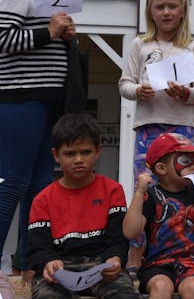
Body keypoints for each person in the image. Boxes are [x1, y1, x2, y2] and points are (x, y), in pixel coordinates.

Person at [119, 0, 194, 273]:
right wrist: (138, 91)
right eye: (160, 7)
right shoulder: (140, 44)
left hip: (181, 129)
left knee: (182, 187)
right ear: (150, 11)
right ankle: (137, 253)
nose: (167, 12)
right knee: (145, 187)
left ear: (183, 11)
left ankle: (185, 249)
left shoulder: (193, 47)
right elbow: (124, 84)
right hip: (148, 126)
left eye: (172, 6)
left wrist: (185, 93)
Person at [0, 0, 76, 275]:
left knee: (40, 185)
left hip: (43, 100)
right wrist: (50, 31)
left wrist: (62, 35)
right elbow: (4, 39)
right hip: (20, 97)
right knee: (13, 180)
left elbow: (36, 39)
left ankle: (28, 262)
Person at [25, 113, 140, 298]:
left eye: (85, 152)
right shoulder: (43, 199)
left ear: (98, 151)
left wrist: (115, 258)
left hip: (102, 267)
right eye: (70, 153)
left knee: (124, 295)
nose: (78, 159)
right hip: (60, 270)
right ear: (56, 155)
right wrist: (48, 262)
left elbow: (117, 238)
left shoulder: (112, 190)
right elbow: (37, 246)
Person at [122, 133, 194, 299]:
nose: (193, 166)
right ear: (161, 169)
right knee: (161, 287)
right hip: (157, 265)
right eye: (184, 161)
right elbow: (130, 232)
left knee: (193, 286)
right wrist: (139, 192)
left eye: (193, 161)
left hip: (193, 264)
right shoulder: (152, 196)